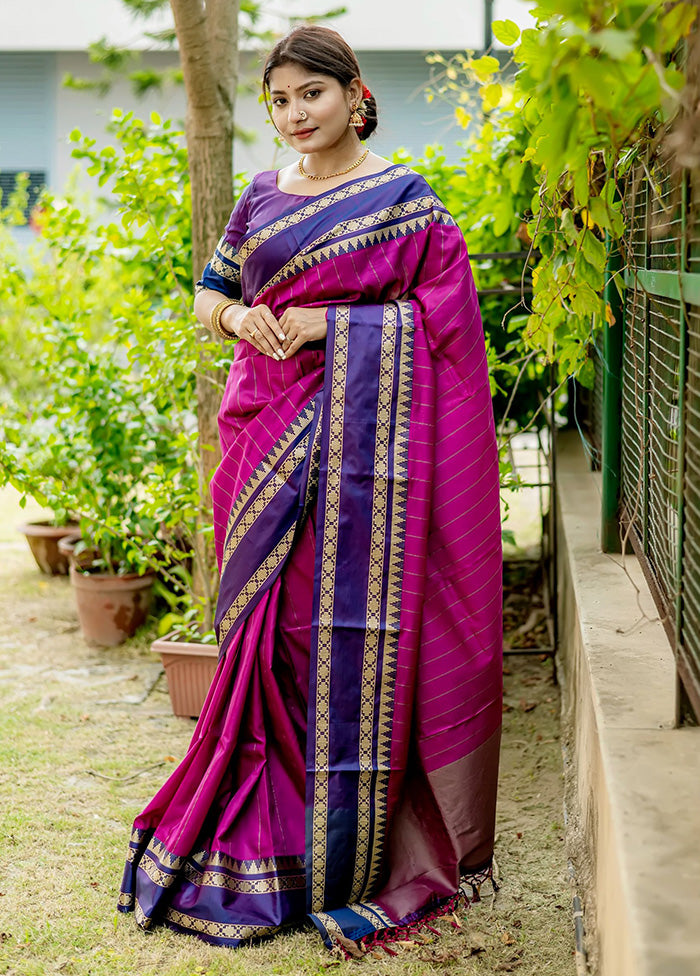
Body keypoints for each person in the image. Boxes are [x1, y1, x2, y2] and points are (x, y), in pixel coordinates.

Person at [118, 23, 503, 955]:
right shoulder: (256, 196)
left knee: (336, 636)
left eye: (311, 96)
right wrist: (237, 313)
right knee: (269, 639)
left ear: (353, 91)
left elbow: (445, 321)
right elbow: (207, 292)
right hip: (262, 446)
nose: (295, 116)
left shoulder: (406, 202)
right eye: (279, 101)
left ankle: (350, 850)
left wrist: (335, 330)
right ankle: (271, 835)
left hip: (365, 458)